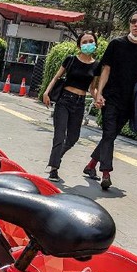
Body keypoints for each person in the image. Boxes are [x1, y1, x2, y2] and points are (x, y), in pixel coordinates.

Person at [85, 8, 137, 190]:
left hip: (131, 100)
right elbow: (106, 70)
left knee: (112, 134)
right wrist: (99, 93)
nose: (136, 24)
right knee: (109, 133)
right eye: (133, 21)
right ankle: (106, 173)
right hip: (111, 96)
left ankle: (91, 165)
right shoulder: (116, 44)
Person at [42, 31, 101, 182]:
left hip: (79, 103)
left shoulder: (96, 65)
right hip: (64, 100)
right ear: (79, 45)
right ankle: (54, 169)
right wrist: (46, 93)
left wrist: (98, 99)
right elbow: (57, 77)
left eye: (91, 41)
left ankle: (57, 156)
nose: (88, 44)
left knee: (73, 138)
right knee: (59, 135)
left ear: (95, 44)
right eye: (85, 42)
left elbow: (92, 88)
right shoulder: (71, 59)